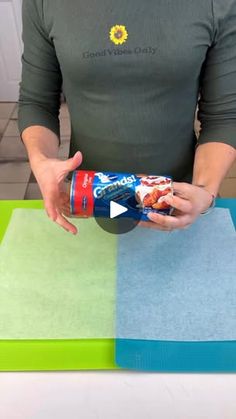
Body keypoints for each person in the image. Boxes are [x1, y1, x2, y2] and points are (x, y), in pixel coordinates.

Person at [19, 0, 236, 234]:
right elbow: (37, 102)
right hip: (88, 200)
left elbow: (224, 114)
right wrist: (41, 159)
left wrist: (205, 189)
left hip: (179, 199)